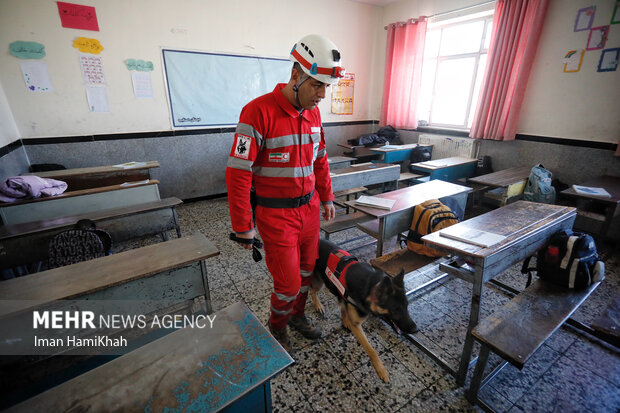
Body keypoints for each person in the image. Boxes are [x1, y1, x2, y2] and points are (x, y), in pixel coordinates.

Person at [225, 34, 345, 352]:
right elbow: (237, 173)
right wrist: (242, 224)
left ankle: (297, 315)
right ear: (295, 76)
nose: (322, 94)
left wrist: (328, 196)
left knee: (307, 273)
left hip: (309, 212)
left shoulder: (315, 114)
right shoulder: (256, 112)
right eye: (316, 85)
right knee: (288, 283)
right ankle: (277, 326)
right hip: (275, 215)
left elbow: (320, 159)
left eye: (326, 87)